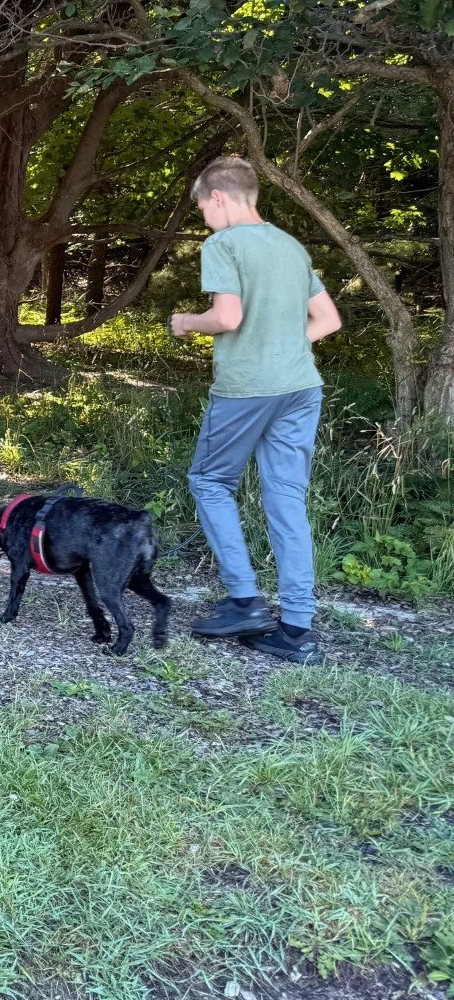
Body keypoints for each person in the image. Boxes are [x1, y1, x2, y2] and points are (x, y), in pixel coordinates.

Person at [171, 155, 341, 665]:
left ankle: (244, 600)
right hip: (300, 386)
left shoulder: (223, 244)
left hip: (247, 389)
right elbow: (327, 320)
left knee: (209, 482)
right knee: (287, 498)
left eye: (202, 207)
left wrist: (185, 322)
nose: (204, 218)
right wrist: (283, 346)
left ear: (218, 197)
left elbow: (227, 317)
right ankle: (296, 630)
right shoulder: (291, 247)